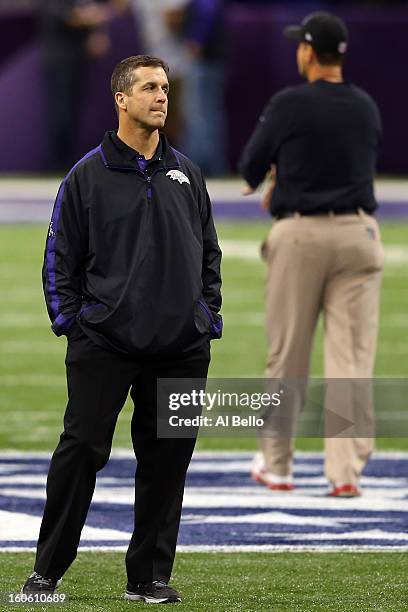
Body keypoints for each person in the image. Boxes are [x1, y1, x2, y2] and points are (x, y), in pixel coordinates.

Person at [22, 54, 222, 603]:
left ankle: (149, 576)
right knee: (81, 450)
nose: (162, 96)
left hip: (182, 346)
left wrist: (207, 317)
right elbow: (59, 258)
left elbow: (209, 252)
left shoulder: (187, 172)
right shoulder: (86, 175)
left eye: (164, 88)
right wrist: (75, 324)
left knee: (167, 462)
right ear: (121, 99)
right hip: (105, 343)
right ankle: (47, 571)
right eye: (149, 88)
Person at [239, 12, 383, 497]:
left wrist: (280, 177)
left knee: (288, 355)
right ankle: (345, 472)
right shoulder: (365, 105)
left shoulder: (289, 103)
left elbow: (249, 168)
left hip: (301, 235)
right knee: (351, 361)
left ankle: (278, 464)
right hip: (360, 234)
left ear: (306, 51)